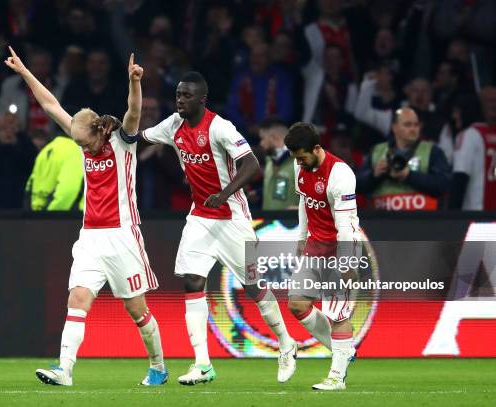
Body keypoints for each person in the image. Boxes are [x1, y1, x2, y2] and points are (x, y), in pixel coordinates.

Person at [3, 47, 167, 386]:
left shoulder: (123, 142)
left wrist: (135, 83)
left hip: (123, 235)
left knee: (137, 311)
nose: (83, 149)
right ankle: (65, 370)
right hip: (90, 235)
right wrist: (24, 72)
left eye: (85, 143)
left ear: (97, 132)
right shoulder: (82, 140)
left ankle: (158, 367)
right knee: (77, 300)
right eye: (77, 143)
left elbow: (133, 111)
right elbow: (50, 104)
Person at [123, 71, 298, 385]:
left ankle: (286, 343)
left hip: (232, 217)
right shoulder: (172, 125)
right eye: (178, 94)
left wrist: (225, 193)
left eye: (186, 95)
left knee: (254, 288)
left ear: (202, 99)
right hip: (200, 218)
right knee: (192, 281)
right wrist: (115, 124)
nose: (180, 100)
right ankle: (202, 363)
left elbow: (252, 164)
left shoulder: (220, 127)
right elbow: (138, 136)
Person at [284, 121, 361, 391]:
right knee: (297, 304)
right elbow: (305, 202)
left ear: (317, 148)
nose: (299, 163)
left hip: (339, 247)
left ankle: (336, 378)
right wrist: (301, 238)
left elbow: (346, 225)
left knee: (337, 315)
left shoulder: (340, 174)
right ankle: (344, 351)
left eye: (302, 157)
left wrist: (347, 262)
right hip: (314, 246)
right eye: (296, 158)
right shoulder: (299, 165)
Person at [356, 107, 450, 211]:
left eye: (416, 125)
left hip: (422, 221)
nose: (413, 129)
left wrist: (409, 175)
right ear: (394, 127)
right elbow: (357, 185)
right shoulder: (377, 151)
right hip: (383, 221)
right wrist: (374, 175)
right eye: (408, 125)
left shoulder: (433, 151)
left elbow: (443, 185)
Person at [450, 87, 496, 210]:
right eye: (490, 101)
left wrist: (451, 219)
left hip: (477, 217)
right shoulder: (474, 134)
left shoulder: (469, 135)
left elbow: (459, 178)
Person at [258, 117, 299, 210]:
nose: (261, 143)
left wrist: (301, 209)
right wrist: (259, 193)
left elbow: (319, 196)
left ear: (274, 137)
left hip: (292, 223)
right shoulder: (270, 161)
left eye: (263, 138)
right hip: (269, 222)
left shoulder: (302, 161)